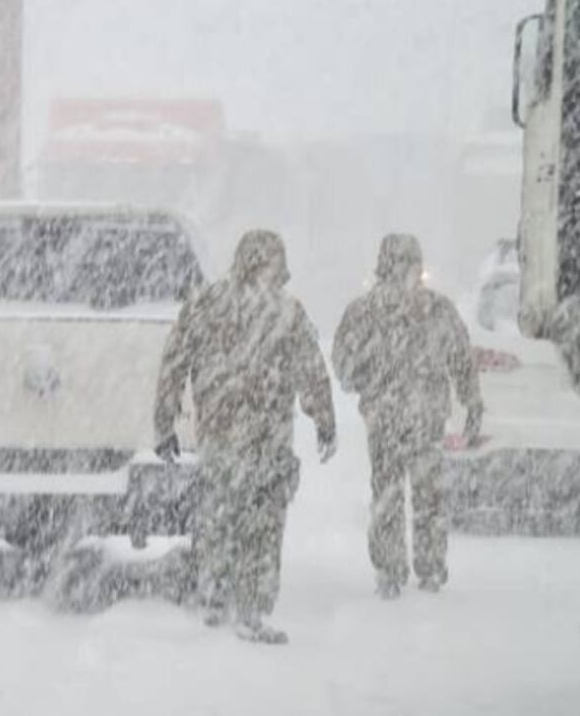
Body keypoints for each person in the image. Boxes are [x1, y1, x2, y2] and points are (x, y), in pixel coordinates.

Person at [155, 229, 336, 644]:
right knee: (262, 524)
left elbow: (174, 363)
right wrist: (323, 419)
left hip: (223, 435)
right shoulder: (286, 312)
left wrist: (164, 422)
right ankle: (251, 606)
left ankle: (218, 598)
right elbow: (311, 370)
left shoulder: (206, 303)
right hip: (266, 437)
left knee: (222, 517)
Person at [332, 233, 482, 599]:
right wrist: (470, 400)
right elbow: (461, 357)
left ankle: (392, 570)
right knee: (423, 495)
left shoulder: (366, 310)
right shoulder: (434, 308)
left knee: (390, 494)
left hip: (391, 418)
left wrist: (368, 383)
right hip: (419, 416)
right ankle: (424, 568)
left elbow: (344, 363)